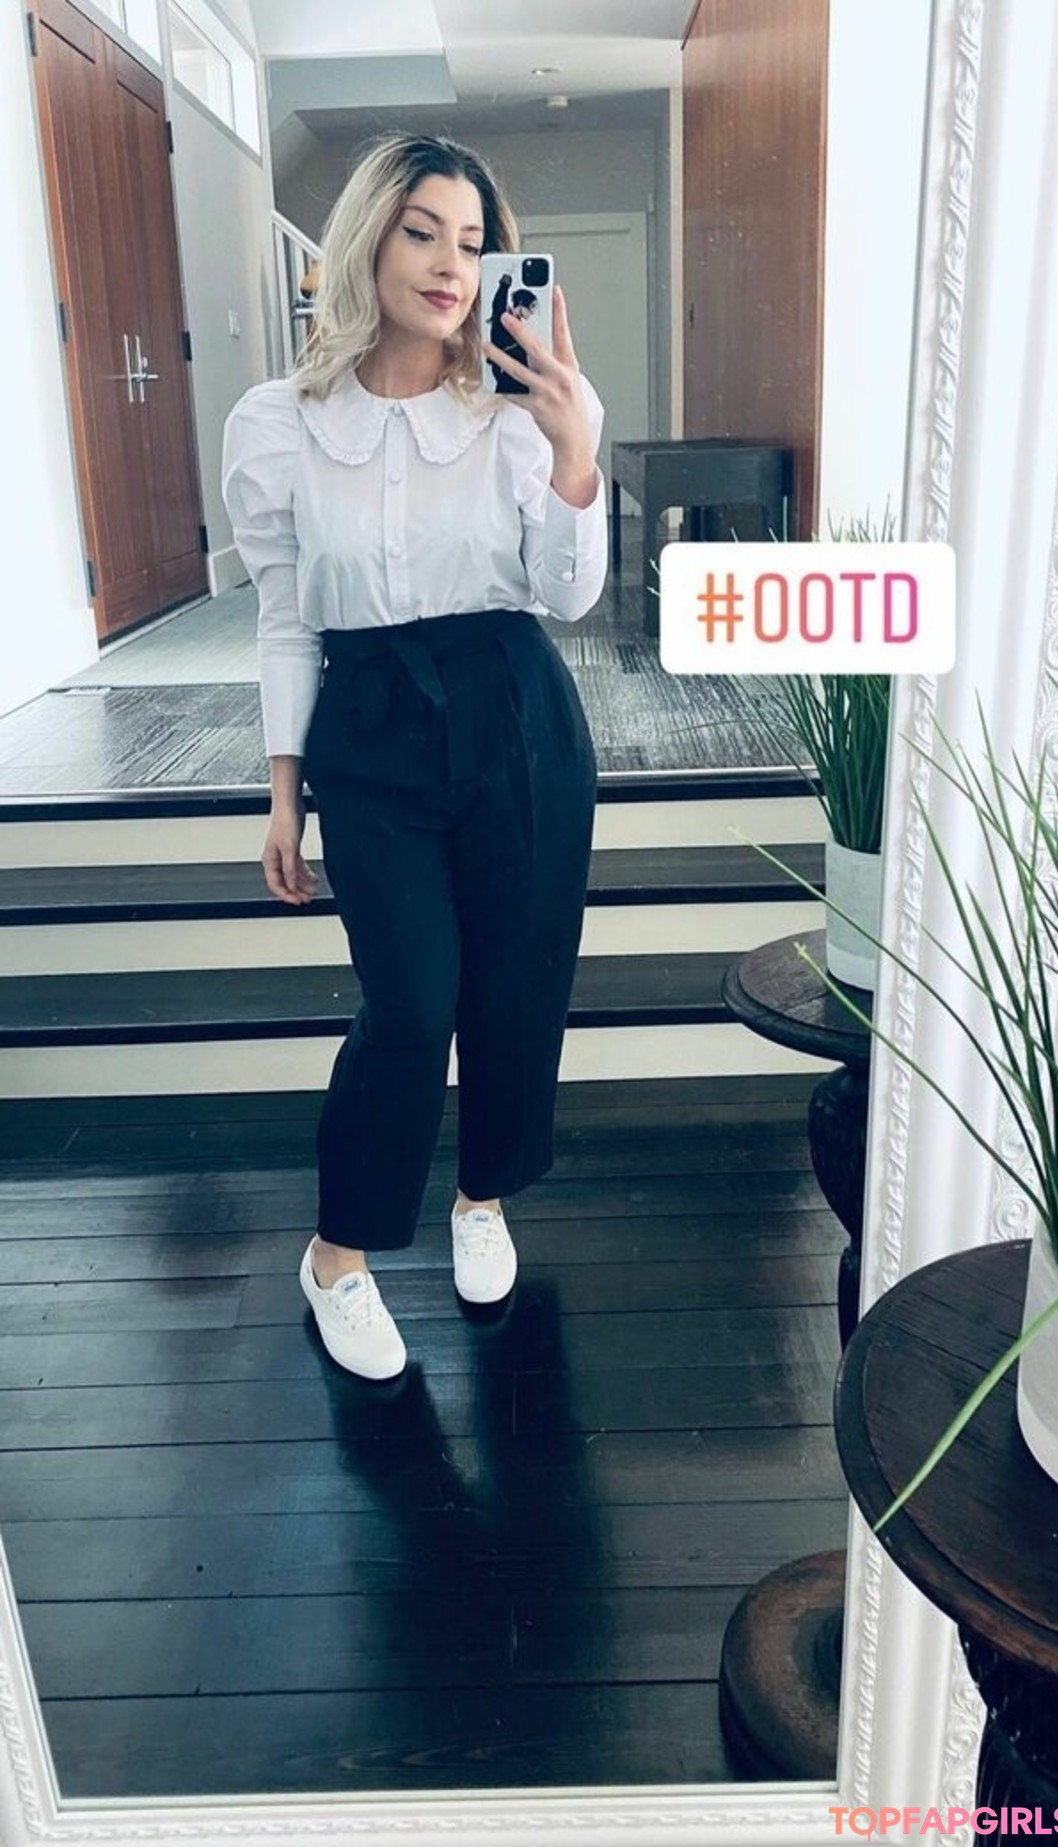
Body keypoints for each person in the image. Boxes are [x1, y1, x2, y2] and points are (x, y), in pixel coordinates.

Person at [222, 133, 606, 1381]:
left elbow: (568, 596)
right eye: (423, 231)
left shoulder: (515, 411)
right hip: (371, 723)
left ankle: (481, 1198)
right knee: (410, 1001)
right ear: (369, 239)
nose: (451, 264)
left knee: (515, 983)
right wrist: (284, 791)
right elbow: (287, 617)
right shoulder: (279, 425)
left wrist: (574, 451)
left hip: (514, 709)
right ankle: (337, 1254)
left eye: (474, 241)